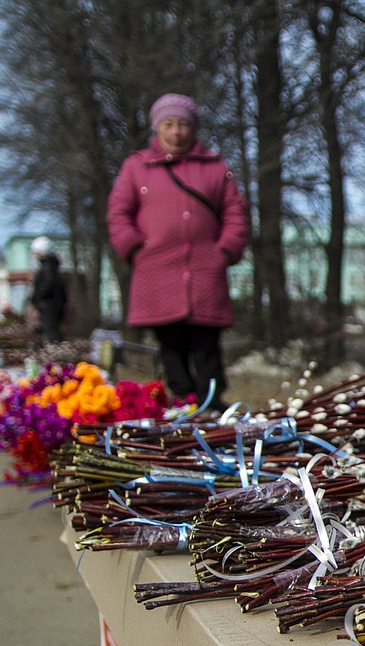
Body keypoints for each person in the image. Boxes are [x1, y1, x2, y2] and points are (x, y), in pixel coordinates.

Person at [106, 92, 250, 410]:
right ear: (157, 129)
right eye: (168, 124)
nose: (176, 132)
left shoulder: (215, 168)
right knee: (169, 341)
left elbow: (235, 213)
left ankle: (212, 403)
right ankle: (182, 399)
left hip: (205, 269)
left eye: (183, 124)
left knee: (206, 342)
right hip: (156, 270)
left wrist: (225, 251)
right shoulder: (136, 167)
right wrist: (134, 248)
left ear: (193, 129)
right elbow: (118, 213)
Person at [28, 236, 68, 343]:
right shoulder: (53, 266)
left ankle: (55, 357)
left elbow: (48, 283)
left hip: (48, 306)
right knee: (53, 333)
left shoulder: (47, 267)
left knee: (52, 335)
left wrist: (37, 297)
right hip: (54, 305)